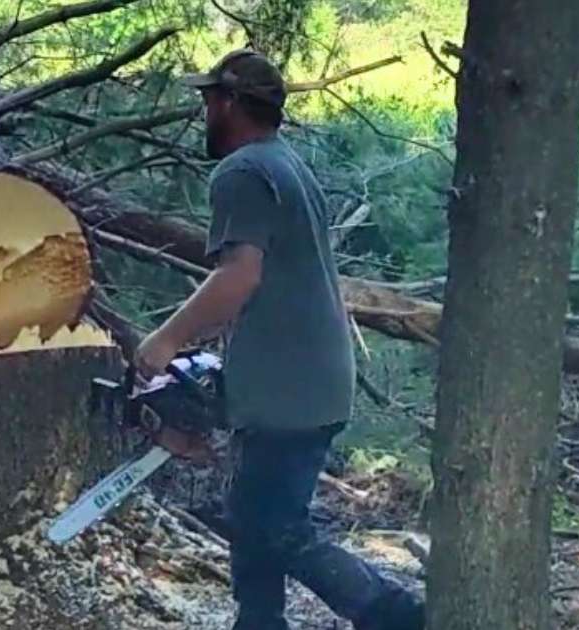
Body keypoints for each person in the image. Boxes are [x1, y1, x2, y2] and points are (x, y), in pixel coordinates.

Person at [133, 49, 426, 630]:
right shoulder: (286, 164)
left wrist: (164, 343)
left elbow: (239, 277)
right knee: (250, 512)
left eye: (210, 99)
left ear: (232, 103)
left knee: (278, 526)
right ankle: (258, 622)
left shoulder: (242, 173)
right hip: (302, 377)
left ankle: (402, 616)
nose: (204, 110)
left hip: (290, 388)